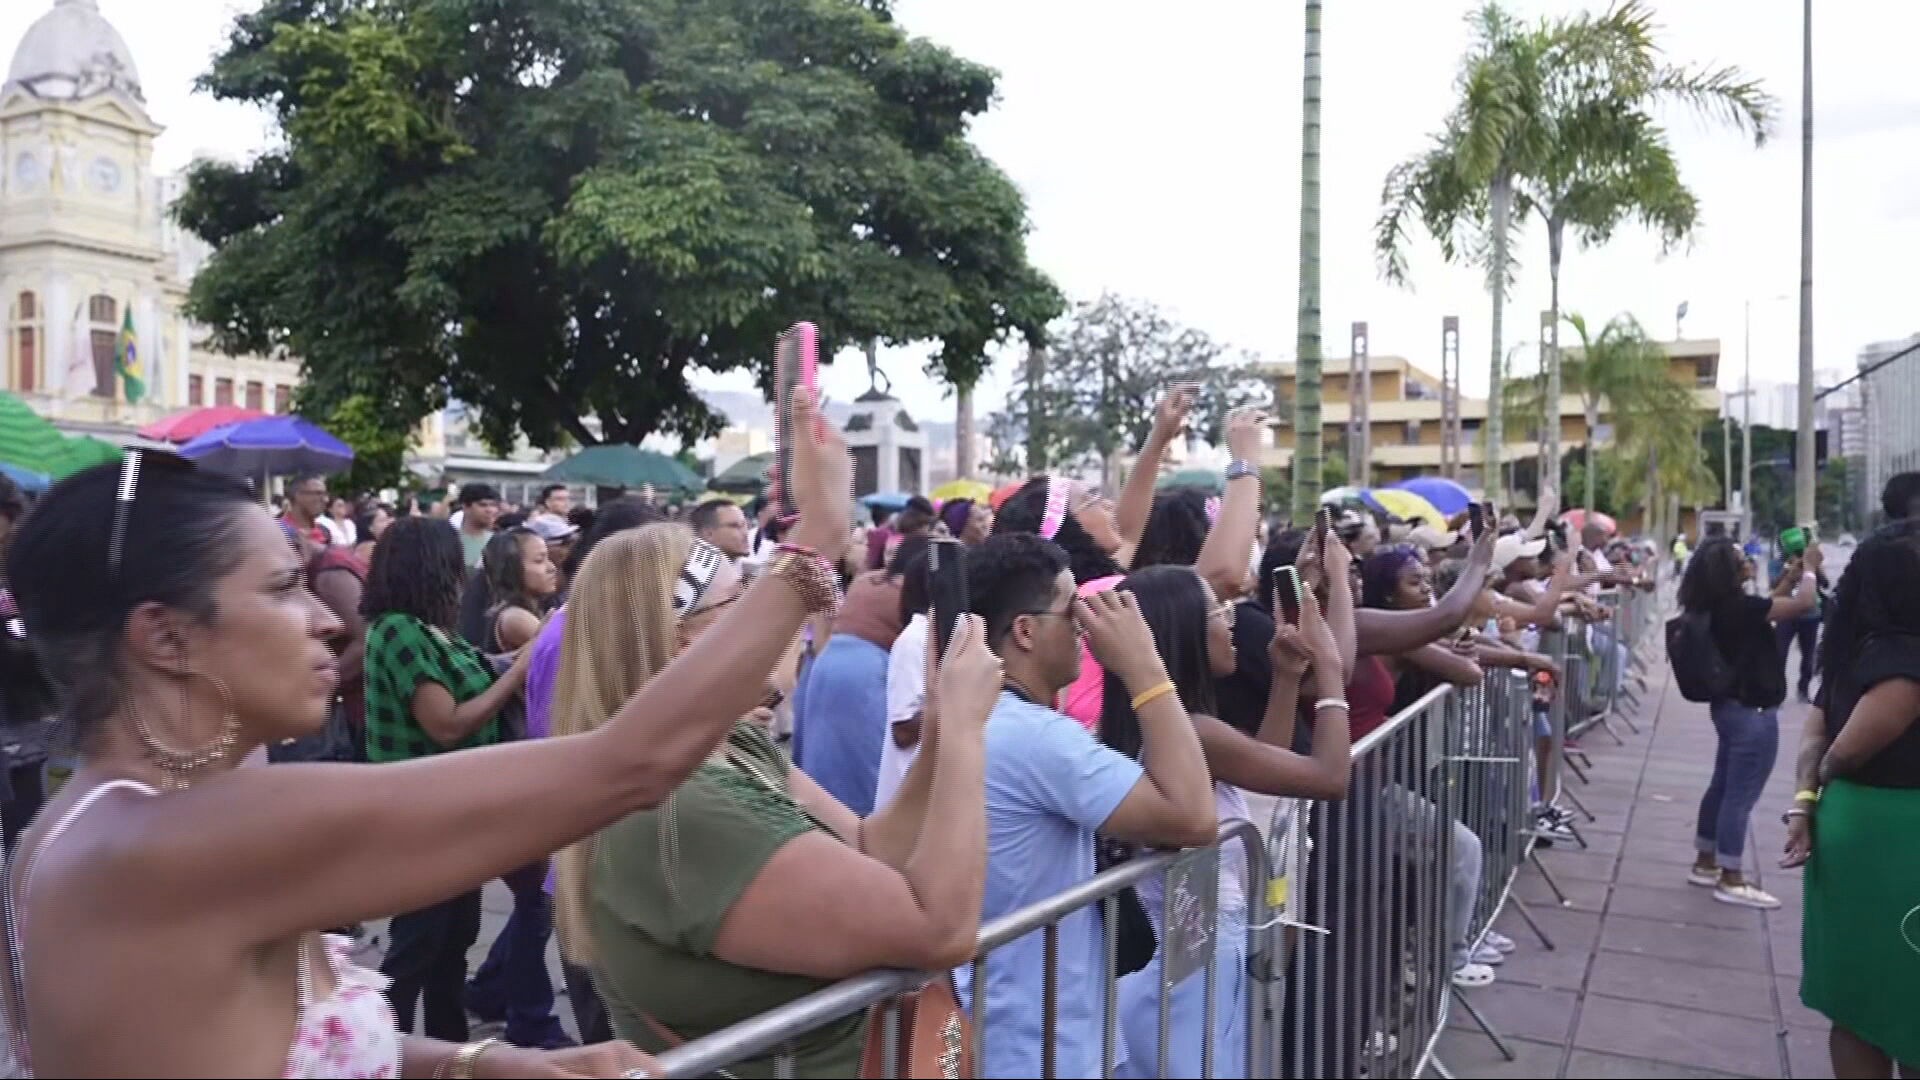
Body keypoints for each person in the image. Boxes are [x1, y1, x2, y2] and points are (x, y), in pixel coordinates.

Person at [553, 524, 1003, 1078]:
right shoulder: (674, 807)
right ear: (681, 642)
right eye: (740, 601)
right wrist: (964, 731)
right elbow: (941, 933)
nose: (776, 620)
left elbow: (869, 844)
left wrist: (938, 723)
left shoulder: (726, 743)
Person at [963, 532, 1215, 1078]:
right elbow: (1194, 817)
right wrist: (1146, 669)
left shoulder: (983, 718)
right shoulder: (1032, 736)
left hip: (1024, 1024)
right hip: (1038, 1040)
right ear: (1025, 631)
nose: (1084, 627)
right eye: (1069, 611)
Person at [1102, 564, 1348, 1079]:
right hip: (1193, 968)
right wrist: (1329, 672)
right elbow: (1328, 777)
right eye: (1218, 610)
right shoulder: (1195, 730)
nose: (1231, 623)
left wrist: (1284, 682)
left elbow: (1263, 769)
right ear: (1185, 631)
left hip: (1196, 961)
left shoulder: (1179, 726)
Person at [359, 517, 531, 1040]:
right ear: (434, 568)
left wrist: (516, 661)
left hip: (457, 810)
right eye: (457, 563)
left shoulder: (435, 631)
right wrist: (518, 675)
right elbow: (447, 723)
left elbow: (476, 678)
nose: (466, 573)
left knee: (454, 941)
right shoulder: (397, 630)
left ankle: (447, 1053)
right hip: (422, 815)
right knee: (417, 945)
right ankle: (381, 1052)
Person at [1782, 521, 1920, 1078]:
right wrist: (1820, 788)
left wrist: (1807, 799)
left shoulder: (1852, 651)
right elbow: (1847, 750)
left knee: (1858, 1003)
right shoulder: (1906, 664)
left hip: (1853, 829)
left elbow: (1816, 736)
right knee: (1900, 995)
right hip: (1895, 839)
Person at [1676, 535, 1819, 908]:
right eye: (1742, 559)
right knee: (1740, 796)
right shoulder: (1740, 609)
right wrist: (1812, 572)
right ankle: (1731, 875)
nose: (1749, 563)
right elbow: (1804, 604)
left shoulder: (1716, 606)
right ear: (1730, 571)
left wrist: (1789, 578)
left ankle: (1706, 860)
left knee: (1722, 786)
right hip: (1752, 712)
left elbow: (1771, 604)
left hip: (1729, 707)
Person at [792, 537, 926, 816]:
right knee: (865, 766)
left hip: (827, 664)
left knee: (826, 757)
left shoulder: (868, 581)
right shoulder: (906, 592)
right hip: (865, 673)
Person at [456, 482, 502, 569]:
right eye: (483, 505)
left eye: (493, 505)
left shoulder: (499, 542)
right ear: (465, 507)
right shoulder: (449, 539)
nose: (490, 510)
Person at [282, 472, 332, 550]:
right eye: (318, 493)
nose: (326, 500)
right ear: (297, 495)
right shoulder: (278, 532)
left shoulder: (325, 532)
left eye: (326, 494)